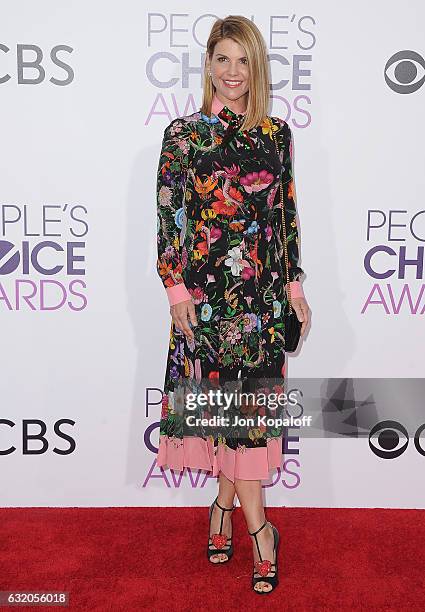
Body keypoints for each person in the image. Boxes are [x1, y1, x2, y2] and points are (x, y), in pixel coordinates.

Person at [155, 15, 310, 594]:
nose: (233, 72)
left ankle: (223, 512)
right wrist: (175, 288)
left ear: (256, 66)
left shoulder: (276, 133)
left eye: (243, 60)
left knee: (244, 421)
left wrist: (294, 288)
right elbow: (170, 217)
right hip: (207, 305)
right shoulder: (184, 135)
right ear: (209, 66)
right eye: (222, 59)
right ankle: (260, 531)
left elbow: (285, 218)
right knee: (232, 420)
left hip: (263, 306)